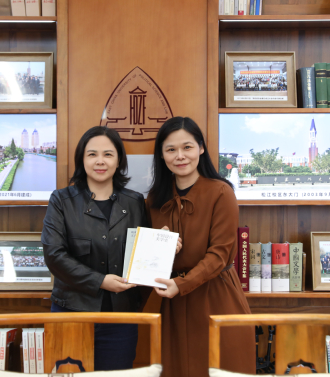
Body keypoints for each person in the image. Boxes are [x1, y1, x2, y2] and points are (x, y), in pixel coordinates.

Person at [41, 126, 160, 371]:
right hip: (71, 312)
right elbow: (54, 255)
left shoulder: (135, 201)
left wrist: (163, 242)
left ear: (119, 160)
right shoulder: (61, 200)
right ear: (82, 159)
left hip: (121, 316)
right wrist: (100, 281)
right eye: (92, 154)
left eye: (108, 154)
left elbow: (143, 253)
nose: (100, 161)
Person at [146, 116, 256, 377]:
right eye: (171, 149)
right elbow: (146, 255)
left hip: (214, 295)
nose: (180, 156)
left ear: (201, 148)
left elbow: (220, 255)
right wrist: (156, 243)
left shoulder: (221, 192)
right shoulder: (154, 198)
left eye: (187, 147)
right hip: (169, 300)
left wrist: (182, 284)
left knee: (219, 367)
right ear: (161, 155)